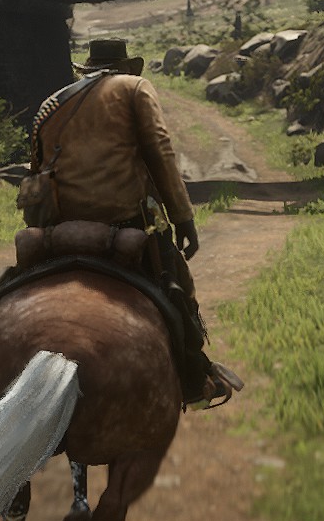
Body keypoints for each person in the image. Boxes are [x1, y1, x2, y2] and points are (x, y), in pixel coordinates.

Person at [28, 38, 243, 410]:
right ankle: (193, 376)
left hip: (59, 225)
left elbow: (36, 166)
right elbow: (159, 150)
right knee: (177, 285)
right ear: (125, 66)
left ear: (87, 67)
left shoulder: (54, 102)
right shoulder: (135, 87)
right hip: (125, 219)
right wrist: (182, 217)